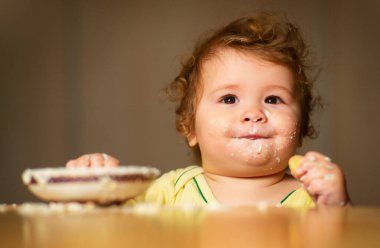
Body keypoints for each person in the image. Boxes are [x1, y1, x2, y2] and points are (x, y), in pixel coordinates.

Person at [66, 12, 351, 209]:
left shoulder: (311, 198)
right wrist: (95, 189)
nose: (253, 113)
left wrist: (336, 205)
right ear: (190, 128)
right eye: (229, 99)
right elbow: (110, 227)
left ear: (301, 127)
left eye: (273, 100)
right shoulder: (171, 191)